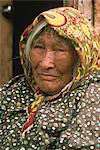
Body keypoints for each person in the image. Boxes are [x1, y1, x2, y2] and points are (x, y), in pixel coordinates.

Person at [0, 7, 99, 150]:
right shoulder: (15, 89)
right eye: (39, 47)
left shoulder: (92, 95)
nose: (46, 63)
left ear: (81, 57)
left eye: (59, 50)